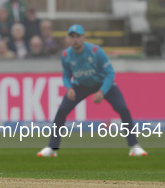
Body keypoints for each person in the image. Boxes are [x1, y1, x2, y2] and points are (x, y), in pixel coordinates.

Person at [38, 24, 148, 158]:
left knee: (123, 108)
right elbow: (66, 75)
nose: (75, 40)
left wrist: (102, 91)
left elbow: (109, 73)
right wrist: (69, 88)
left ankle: (134, 146)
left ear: (83, 37)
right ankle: (52, 147)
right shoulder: (66, 54)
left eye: (78, 36)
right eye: (72, 37)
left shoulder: (96, 51)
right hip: (80, 85)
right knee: (61, 111)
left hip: (102, 83)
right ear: (68, 39)